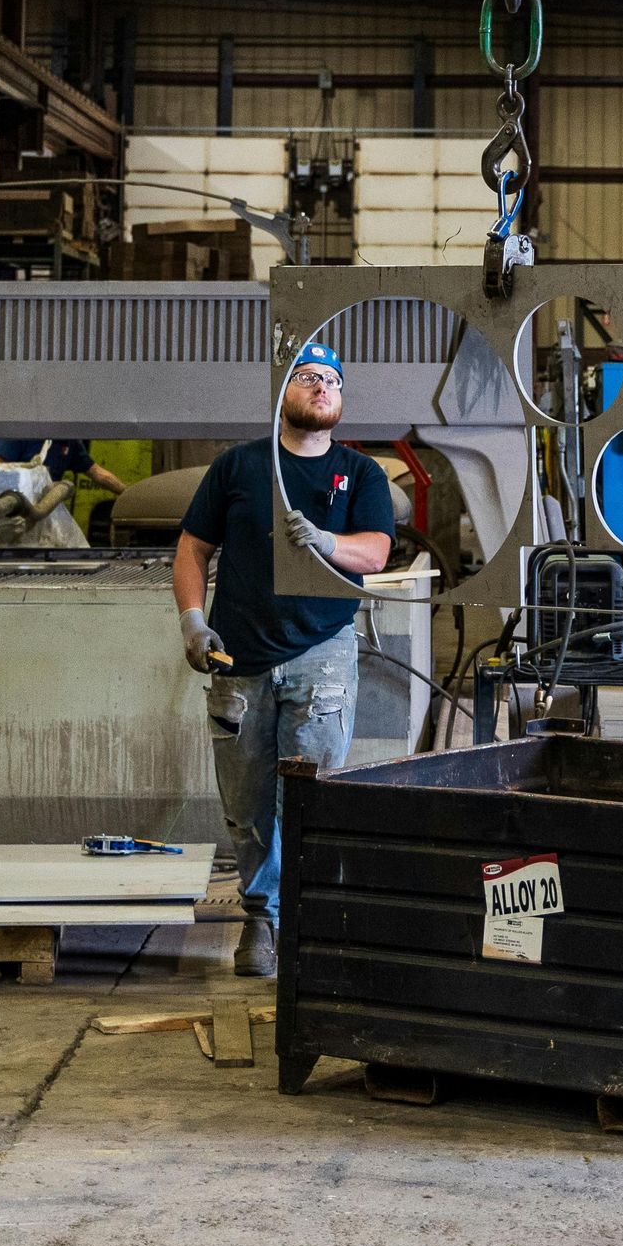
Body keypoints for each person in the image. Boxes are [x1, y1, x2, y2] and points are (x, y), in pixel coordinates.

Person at [172, 343, 394, 978]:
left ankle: (305, 916)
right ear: (283, 395)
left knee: (311, 796)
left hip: (321, 651)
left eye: (331, 380)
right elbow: (193, 548)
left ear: (342, 400)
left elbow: (375, 552)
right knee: (247, 804)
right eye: (306, 377)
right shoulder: (239, 466)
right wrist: (192, 619)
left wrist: (328, 541)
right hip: (238, 655)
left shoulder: (362, 473)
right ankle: (260, 919)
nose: (321, 387)